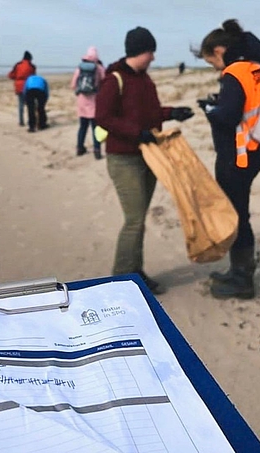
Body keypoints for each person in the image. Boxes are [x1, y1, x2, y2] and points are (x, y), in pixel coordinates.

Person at [94, 26, 194, 295]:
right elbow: (102, 117)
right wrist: (136, 133)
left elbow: (149, 113)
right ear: (139, 51)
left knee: (139, 217)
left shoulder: (145, 80)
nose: (153, 57)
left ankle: (135, 272)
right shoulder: (114, 79)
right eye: (150, 51)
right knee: (135, 219)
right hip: (123, 158)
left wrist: (173, 112)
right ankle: (121, 280)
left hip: (149, 156)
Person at [194, 19, 260, 299]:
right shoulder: (256, 67)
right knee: (240, 212)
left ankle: (241, 278)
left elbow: (229, 115)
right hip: (256, 150)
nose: (215, 67)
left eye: (212, 61)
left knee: (236, 215)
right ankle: (240, 270)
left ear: (219, 50)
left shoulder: (234, 72)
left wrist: (210, 109)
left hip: (238, 155)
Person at [70, 46, 106, 159]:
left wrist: (79, 91)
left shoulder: (79, 68)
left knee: (82, 127)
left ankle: (80, 148)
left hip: (82, 102)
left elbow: (73, 85)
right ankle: (97, 150)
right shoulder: (99, 68)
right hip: (95, 101)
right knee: (96, 128)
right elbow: (105, 83)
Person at [8, 51, 36, 127]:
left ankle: (21, 121)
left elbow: (11, 75)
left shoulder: (18, 65)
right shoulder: (32, 66)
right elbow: (34, 76)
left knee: (21, 105)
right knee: (30, 105)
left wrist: (17, 78)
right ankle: (31, 120)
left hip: (19, 86)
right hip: (29, 86)